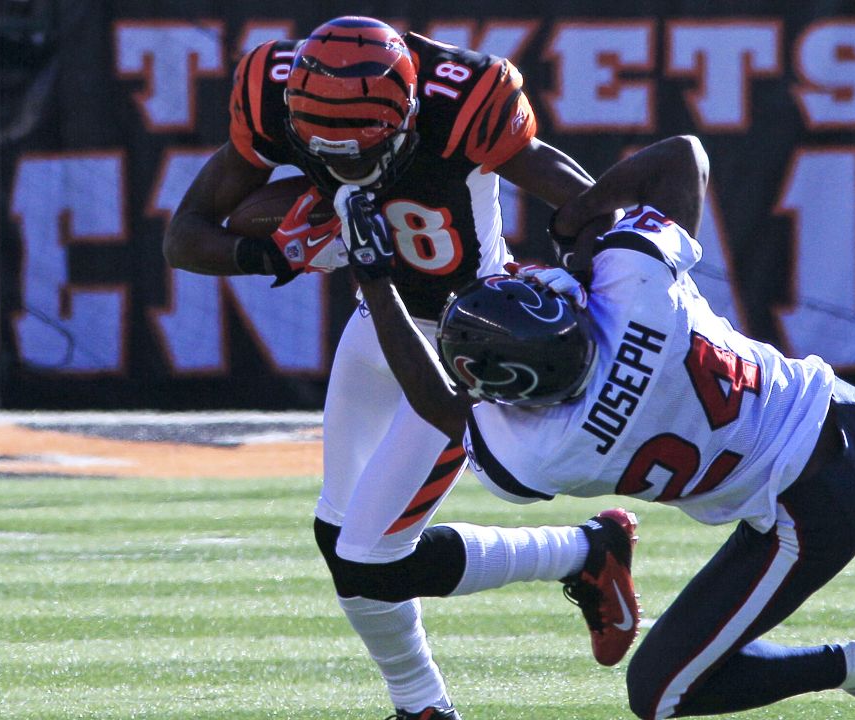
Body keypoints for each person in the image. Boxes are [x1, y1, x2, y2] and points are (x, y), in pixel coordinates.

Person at [344, 134, 855, 720]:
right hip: (845, 413)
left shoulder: (551, 446)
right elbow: (681, 158)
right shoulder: (635, 291)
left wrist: (374, 283)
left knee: (663, 693)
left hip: (803, 506)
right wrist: (582, 219)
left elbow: (443, 406)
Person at [163, 16, 636, 720]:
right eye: (330, 159)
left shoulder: (464, 99)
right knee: (339, 537)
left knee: (373, 558)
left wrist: (591, 287)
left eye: (363, 154)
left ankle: (580, 554)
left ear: (408, 113)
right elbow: (185, 237)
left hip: (466, 341)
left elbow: (591, 202)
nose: (347, 172)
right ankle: (423, 705)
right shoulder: (275, 92)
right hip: (378, 319)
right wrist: (275, 253)